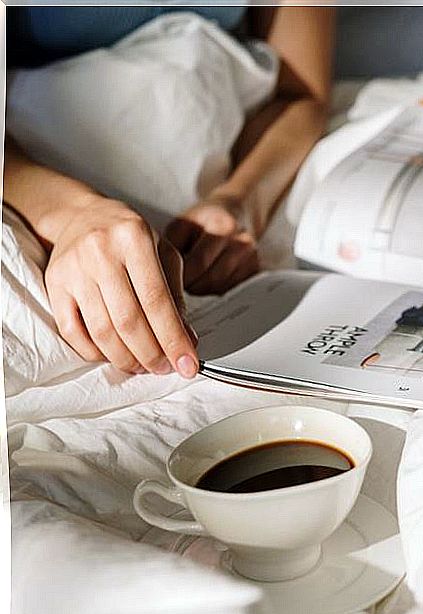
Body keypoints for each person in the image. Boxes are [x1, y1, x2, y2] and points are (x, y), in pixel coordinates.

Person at [4, 5, 335, 377]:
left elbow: (301, 94)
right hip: (29, 178)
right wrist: (72, 214)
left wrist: (239, 201)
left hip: (235, 166)